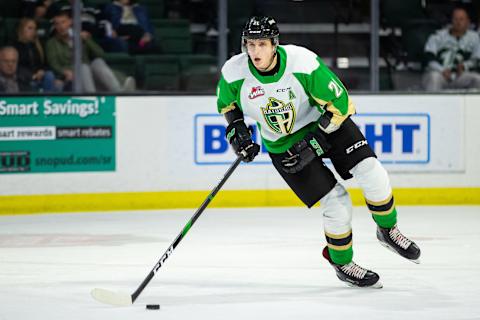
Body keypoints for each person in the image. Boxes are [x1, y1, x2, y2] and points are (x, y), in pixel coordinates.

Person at [217, 16, 421, 288]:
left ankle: (388, 229)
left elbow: (341, 103)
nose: (255, 52)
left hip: (324, 124)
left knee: (370, 170)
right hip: (283, 145)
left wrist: (313, 144)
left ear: (275, 44)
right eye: (250, 44)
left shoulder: (303, 64)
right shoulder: (234, 72)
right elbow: (228, 106)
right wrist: (237, 133)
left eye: (262, 44)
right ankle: (342, 262)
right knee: (336, 203)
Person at [45, 11, 135, 92]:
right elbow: (54, 64)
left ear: (70, 22)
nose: (61, 26)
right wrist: (65, 72)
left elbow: (100, 54)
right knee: (83, 67)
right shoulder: (52, 43)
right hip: (71, 76)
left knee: (97, 62)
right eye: (57, 24)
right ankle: (91, 96)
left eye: (63, 22)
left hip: (89, 74)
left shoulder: (79, 37)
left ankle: (118, 92)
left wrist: (87, 40)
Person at [423, 7, 480, 91]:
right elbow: (428, 58)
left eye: (461, 19)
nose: (458, 22)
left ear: (468, 22)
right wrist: (442, 70)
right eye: (455, 19)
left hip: (461, 75)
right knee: (434, 77)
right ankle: (434, 103)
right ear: (451, 21)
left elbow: (476, 59)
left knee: (477, 79)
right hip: (440, 74)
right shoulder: (438, 36)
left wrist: (464, 66)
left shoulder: (474, 37)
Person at [13, 18, 63, 93]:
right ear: (21, 29)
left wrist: (42, 71)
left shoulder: (38, 46)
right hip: (25, 79)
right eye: (30, 28)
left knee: (51, 76)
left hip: (41, 78)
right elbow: (16, 67)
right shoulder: (15, 47)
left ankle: (47, 101)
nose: (33, 31)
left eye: (35, 28)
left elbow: (46, 64)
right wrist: (32, 75)